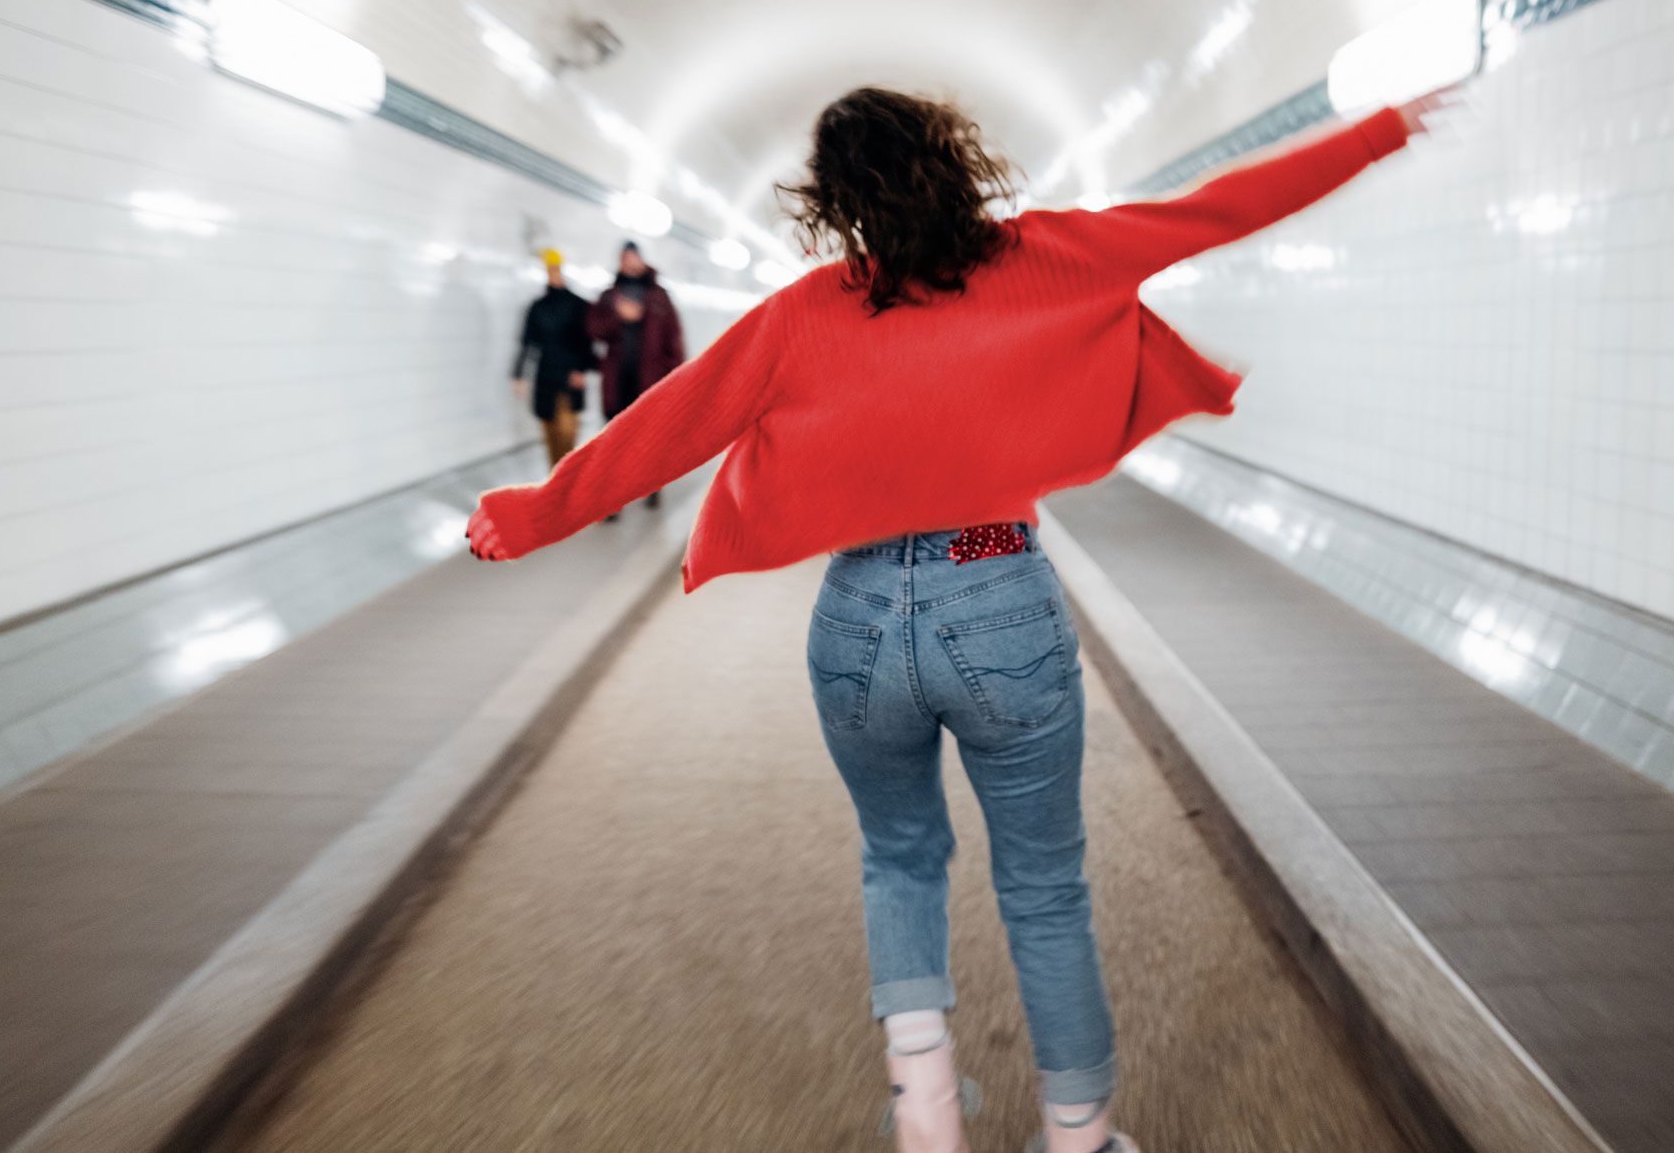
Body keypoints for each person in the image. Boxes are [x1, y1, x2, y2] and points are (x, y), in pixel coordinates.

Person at [467, 87, 1437, 1152]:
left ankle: (927, 1119)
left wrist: (527, 517)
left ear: (835, 203)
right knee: (1043, 883)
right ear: (956, 162)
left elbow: (668, 425)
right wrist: (1378, 131)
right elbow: (1222, 208)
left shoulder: (801, 312)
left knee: (897, 856)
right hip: (1000, 592)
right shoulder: (1049, 254)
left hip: (857, 616)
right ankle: (1078, 1134)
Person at [587, 241, 684, 513]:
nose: (628, 262)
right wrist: (618, 318)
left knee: (649, 440)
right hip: (618, 382)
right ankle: (613, 500)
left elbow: (673, 340)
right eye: (624, 258)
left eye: (632, 257)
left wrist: (675, 380)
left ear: (641, 260)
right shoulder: (609, 297)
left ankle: (651, 487)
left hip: (649, 382)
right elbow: (593, 329)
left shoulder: (658, 296)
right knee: (613, 443)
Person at [510, 248, 597, 467]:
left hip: (569, 377)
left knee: (567, 434)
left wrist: (581, 370)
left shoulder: (579, 305)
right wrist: (519, 374)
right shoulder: (538, 307)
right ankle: (555, 484)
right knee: (550, 435)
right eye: (550, 269)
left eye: (557, 269)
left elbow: (587, 343)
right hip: (546, 377)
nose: (554, 273)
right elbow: (527, 343)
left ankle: (565, 483)